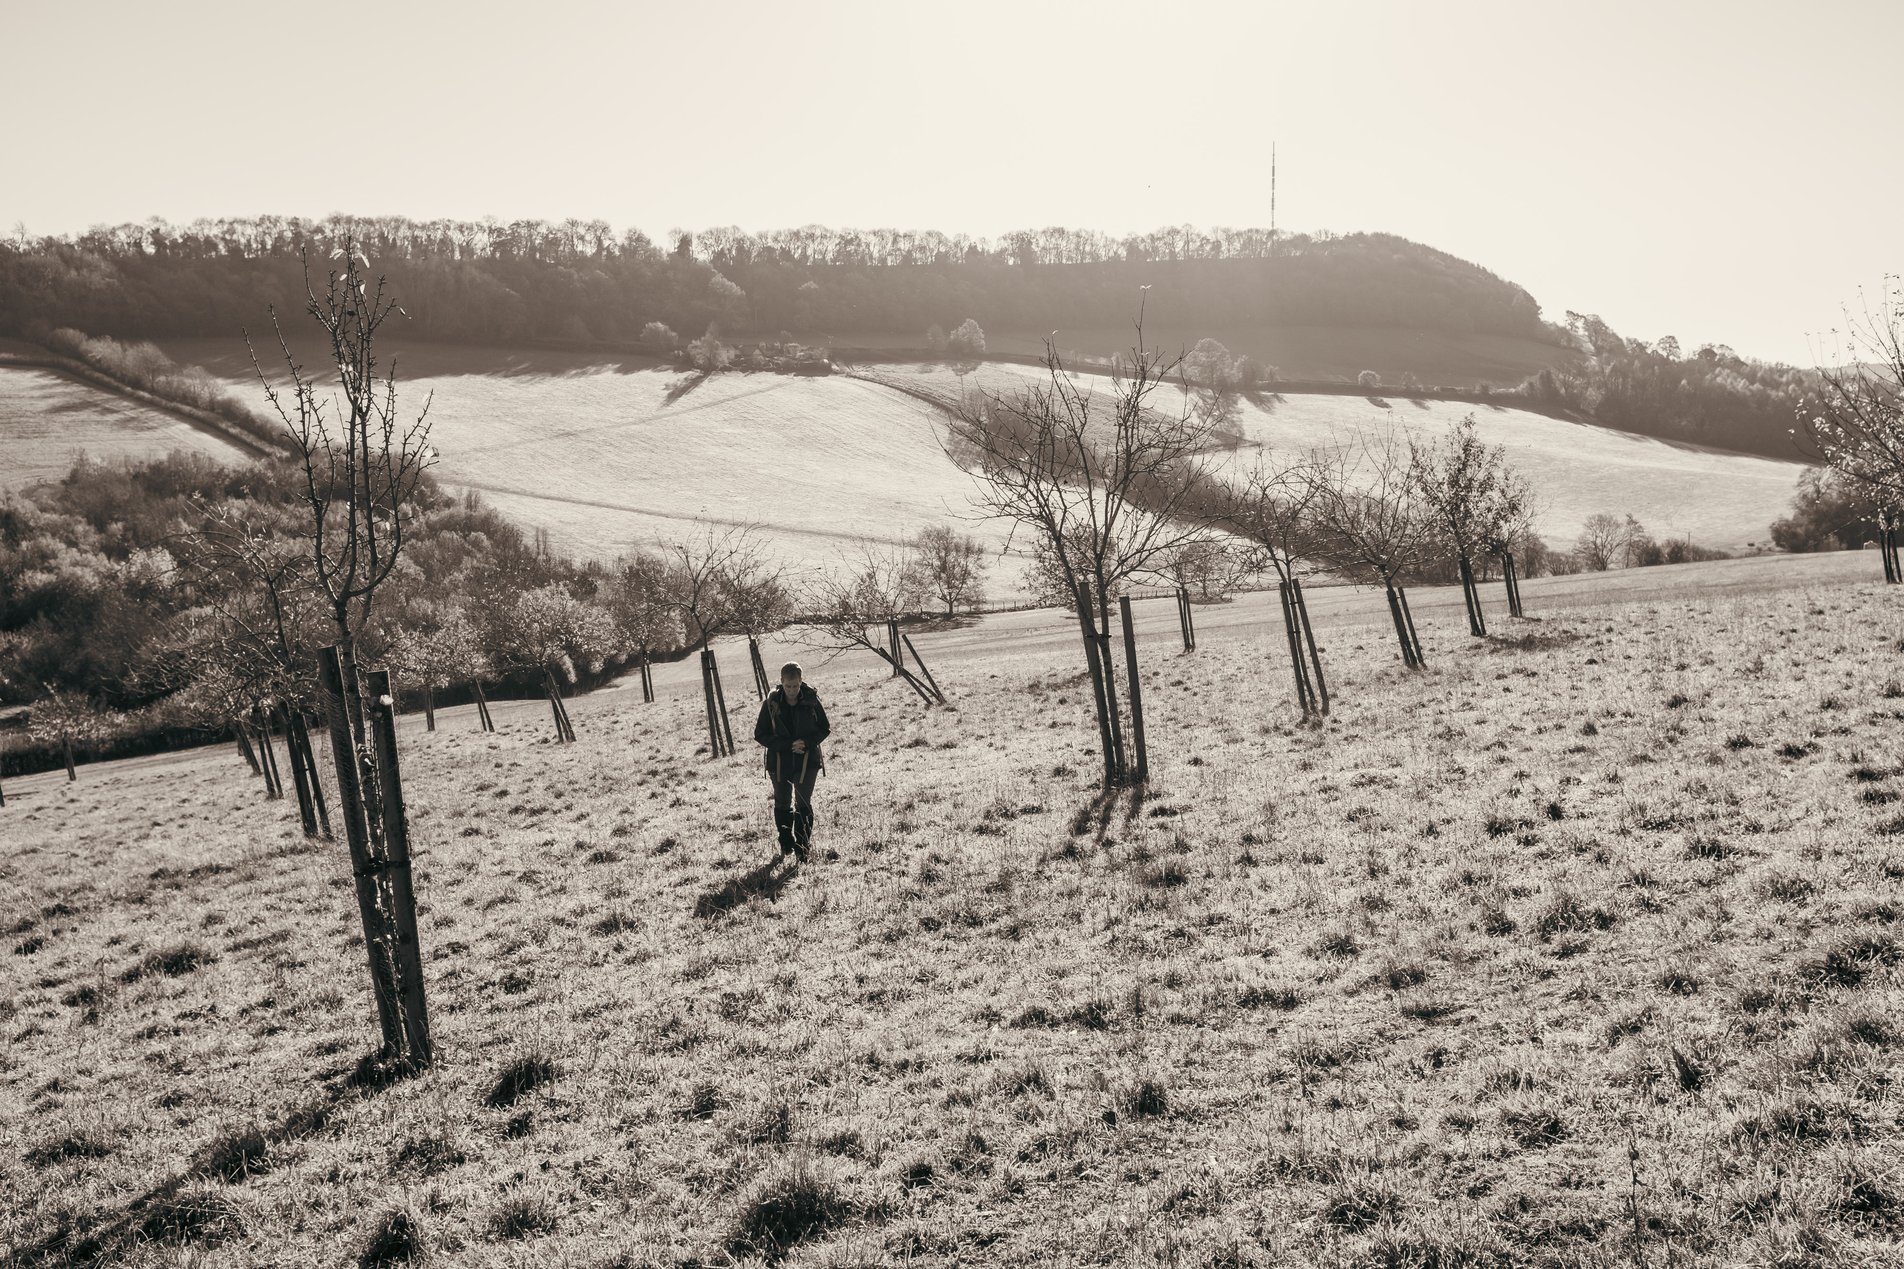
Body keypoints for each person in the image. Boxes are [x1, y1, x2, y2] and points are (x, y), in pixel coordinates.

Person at [753, 661, 831, 860]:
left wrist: (806, 743)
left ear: (801, 681)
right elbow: (760, 734)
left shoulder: (812, 700)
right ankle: (786, 841)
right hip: (779, 761)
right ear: (781, 682)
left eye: (795, 686)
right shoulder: (771, 703)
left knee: (803, 803)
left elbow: (824, 728)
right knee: (782, 802)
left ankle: (803, 848)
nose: (792, 690)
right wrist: (787, 745)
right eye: (788, 686)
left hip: (807, 760)